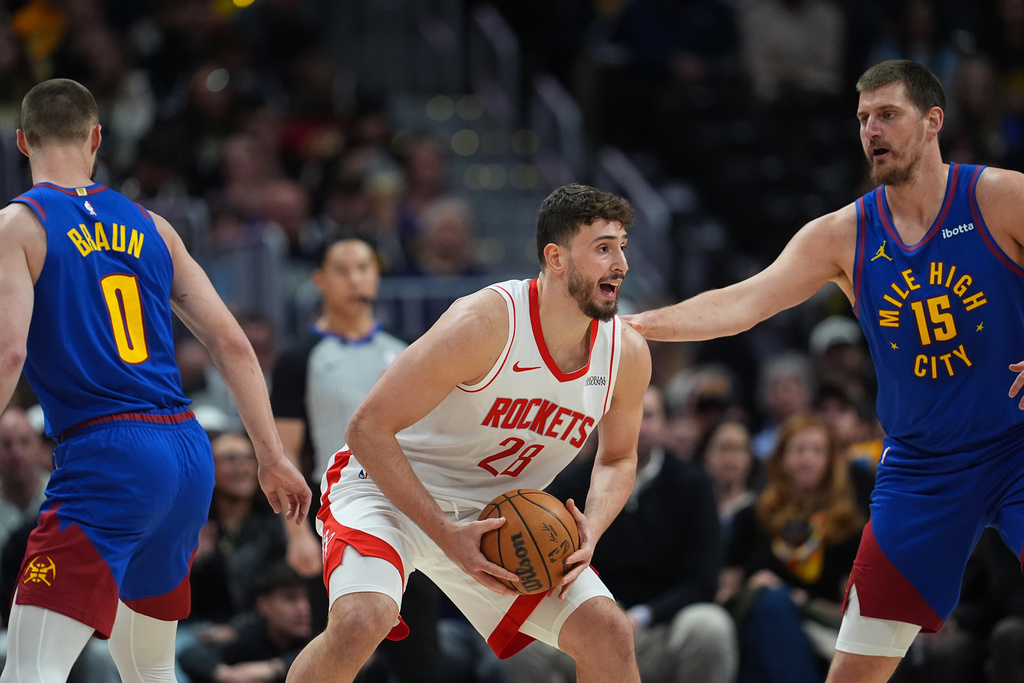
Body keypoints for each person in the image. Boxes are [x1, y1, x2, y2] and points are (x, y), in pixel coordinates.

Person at [623, 58, 1024, 682]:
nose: (872, 131)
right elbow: (743, 302)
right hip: (923, 468)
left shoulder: (998, 196)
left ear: (932, 122)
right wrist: (640, 326)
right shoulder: (844, 234)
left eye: (888, 115)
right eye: (863, 119)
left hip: (1018, 442)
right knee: (855, 671)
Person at [0, 78, 310, 682]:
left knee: (30, 670)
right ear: (96, 137)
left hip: (107, 454)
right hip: (187, 454)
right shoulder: (153, 225)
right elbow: (232, 342)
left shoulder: (17, 225)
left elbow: (9, 350)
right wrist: (272, 456)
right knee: (146, 667)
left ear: (21, 142)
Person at [286, 183, 652, 683]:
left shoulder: (625, 354)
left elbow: (617, 459)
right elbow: (368, 428)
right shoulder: (484, 323)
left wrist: (593, 524)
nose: (620, 265)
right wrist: (444, 533)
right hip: (385, 488)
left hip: (493, 517)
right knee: (361, 620)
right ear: (557, 258)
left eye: (622, 248)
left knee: (607, 632)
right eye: (603, 248)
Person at [271, 234, 449, 683]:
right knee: (342, 650)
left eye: (364, 267)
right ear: (319, 281)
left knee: (421, 659)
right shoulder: (299, 358)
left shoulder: (407, 349)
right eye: (343, 270)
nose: (356, 278)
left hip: (410, 509)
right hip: (336, 512)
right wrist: (295, 537)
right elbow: (285, 455)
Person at [499, 384, 738, 683]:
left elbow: (702, 581)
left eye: (648, 415)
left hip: (659, 625)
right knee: (522, 643)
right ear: (602, 421)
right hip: (587, 622)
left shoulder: (693, 484)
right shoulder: (571, 482)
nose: (637, 424)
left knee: (710, 626)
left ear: (665, 425)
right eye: (625, 414)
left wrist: (643, 615)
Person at [718, 413, 864, 683]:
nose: (807, 459)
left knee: (776, 605)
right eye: (798, 450)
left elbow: (849, 612)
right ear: (781, 459)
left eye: (816, 451)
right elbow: (727, 594)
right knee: (768, 607)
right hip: (755, 624)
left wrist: (796, 599)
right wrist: (755, 589)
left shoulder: (848, 525)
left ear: (830, 461)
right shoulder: (752, 515)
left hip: (821, 631)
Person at [179, 560, 313, 683]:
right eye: (290, 599)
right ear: (264, 604)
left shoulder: (317, 636)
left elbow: (318, 657)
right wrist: (225, 674)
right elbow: (190, 654)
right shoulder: (250, 633)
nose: (303, 608)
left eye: (305, 598)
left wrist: (273, 668)